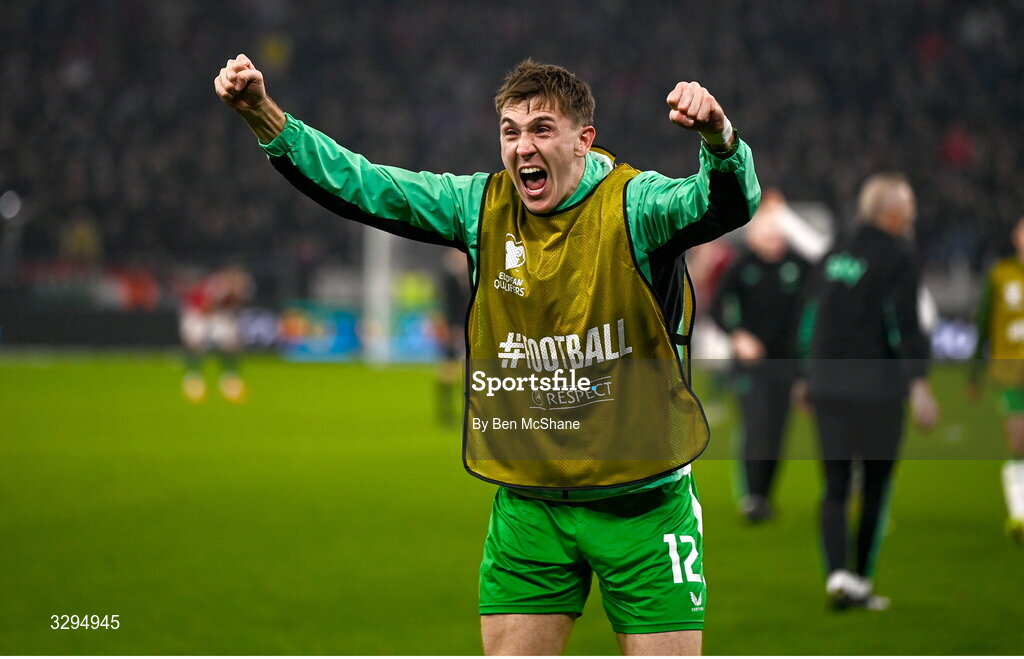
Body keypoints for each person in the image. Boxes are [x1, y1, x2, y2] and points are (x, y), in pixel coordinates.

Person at [216, 54, 760, 655]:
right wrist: (266, 117)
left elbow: (725, 205)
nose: (523, 147)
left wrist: (719, 138)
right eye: (511, 131)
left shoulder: (637, 205)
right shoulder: (480, 207)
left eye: (541, 129)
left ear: (584, 140)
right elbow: (365, 185)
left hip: (643, 504)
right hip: (530, 505)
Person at [799, 172, 938, 611]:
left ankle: (837, 577)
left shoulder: (834, 250)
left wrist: (805, 376)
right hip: (877, 390)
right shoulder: (899, 255)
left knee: (835, 484)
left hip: (827, 387)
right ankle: (859, 577)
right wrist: (918, 384)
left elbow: (811, 318)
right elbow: (904, 323)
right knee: (876, 486)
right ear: (893, 212)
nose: (913, 214)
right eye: (910, 206)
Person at [709, 189, 810, 523]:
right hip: (750, 366)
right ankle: (752, 497)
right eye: (764, 231)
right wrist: (738, 338)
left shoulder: (799, 265)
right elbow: (715, 309)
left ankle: (765, 496)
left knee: (778, 433)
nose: (771, 238)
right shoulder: (742, 266)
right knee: (756, 429)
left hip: (787, 364)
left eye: (776, 231)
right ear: (753, 234)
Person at [969, 216, 1024, 544]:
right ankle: (1019, 514)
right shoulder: (1000, 274)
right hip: (1010, 372)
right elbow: (984, 323)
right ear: (1016, 237)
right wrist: (975, 371)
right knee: (1018, 441)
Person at [180, 264, 254, 403]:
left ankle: (230, 380)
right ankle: (193, 380)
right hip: (199, 312)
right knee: (196, 344)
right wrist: (205, 326)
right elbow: (206, 305)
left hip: (220, 314)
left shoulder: (242, 285)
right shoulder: (217, 284)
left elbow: (235, 305)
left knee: (231, 345)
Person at [436, 247, 471, 425]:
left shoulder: (468, 275)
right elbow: (446, 304)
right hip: (454, 326)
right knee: (449, 368)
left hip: (465, 325)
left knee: (462, 370)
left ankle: (465, 409)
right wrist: (448, 327)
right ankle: (446, 410)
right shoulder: (449, 279)